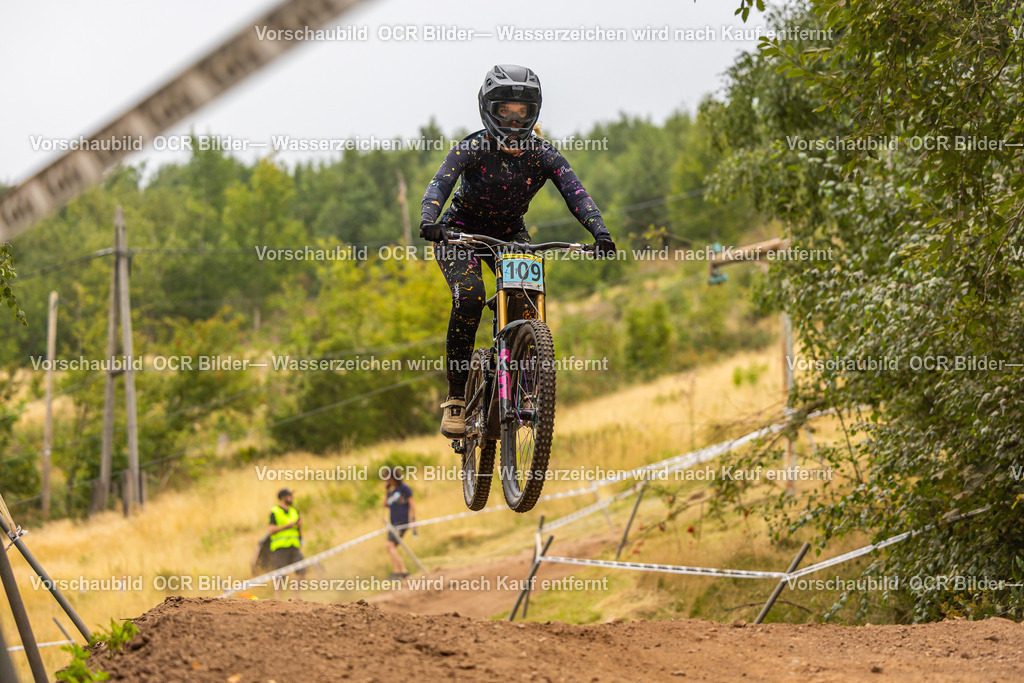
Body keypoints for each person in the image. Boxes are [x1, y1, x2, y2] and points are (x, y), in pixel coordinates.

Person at [420, 64, 617, 438]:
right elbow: (440, 183)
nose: (513, 120)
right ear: (488, 110)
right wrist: (431, 219)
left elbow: (576, 193)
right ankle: (457, 399)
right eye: (505, 111)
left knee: (529, 298)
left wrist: (600, 231)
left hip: (510, 236)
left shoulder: (543, 155)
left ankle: (524, 381)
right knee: (470, 298)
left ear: (533, 113)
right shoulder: (473, 147)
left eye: (521, 112)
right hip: (459, 234)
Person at [267, 488, 305, 599]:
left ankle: (296, 598)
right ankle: (277, 599)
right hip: (280, 547)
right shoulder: (275, 511)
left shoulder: (294, 511)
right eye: (290, 496)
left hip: (294, 546)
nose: (292, 498)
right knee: (280, 574)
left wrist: (300, 536)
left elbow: (298, 528)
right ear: (283, 497)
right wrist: (287, 525)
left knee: (302, 570)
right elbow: (271, 530)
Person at [383, 467, 416, 580]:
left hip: (401, 522)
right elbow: (385, 504)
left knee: (389, 545)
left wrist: (413, 518)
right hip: (393, 523)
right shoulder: (392, 492)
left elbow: (412, 503)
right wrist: (386, 490)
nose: (387, 481)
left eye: (388, 479)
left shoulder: (404, 489)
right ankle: (404, 572)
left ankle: (397, 572)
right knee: (391, 547)